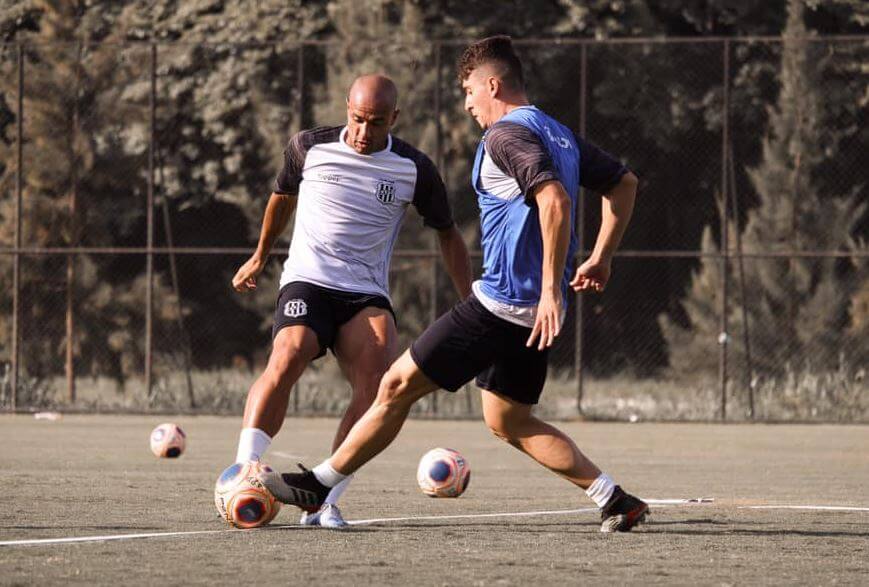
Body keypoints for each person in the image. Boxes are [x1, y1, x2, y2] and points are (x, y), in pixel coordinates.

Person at [263, 36, 647, 533]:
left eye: (469, 90)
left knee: (395, 385)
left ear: (492, 84)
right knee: (509, 420)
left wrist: (553, 284)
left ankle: (319, 483)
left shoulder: (504, 136)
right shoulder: (559, 133)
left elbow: (554, 201)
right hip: (535, 314)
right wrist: (600, 258)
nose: (467, 103)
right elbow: (625, 183)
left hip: (504, 303)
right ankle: (614, 499)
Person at [230, 74, 472, 528]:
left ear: (394, 119)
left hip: (365, 293)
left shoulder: (414, 168)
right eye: (357, 119)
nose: (364, 132)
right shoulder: (309, 147)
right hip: (308, 279)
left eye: (376, 123)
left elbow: (447, 234)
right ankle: (244, 470)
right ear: (347, 109)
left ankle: (323, 500)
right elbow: (281, 197)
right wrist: (260, 255)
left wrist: (470, 303)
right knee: (289, 351)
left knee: (379, 378)